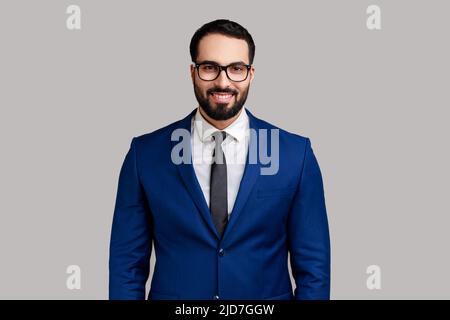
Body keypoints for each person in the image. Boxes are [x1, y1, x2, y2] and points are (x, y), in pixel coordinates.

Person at [109, 19, 330, 300]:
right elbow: (126, 264)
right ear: (193, 72)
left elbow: (314, 268)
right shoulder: (146, 154)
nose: (223, 81)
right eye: (210, 67)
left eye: (236, 68)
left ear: (251, 74)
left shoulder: (295, 154)